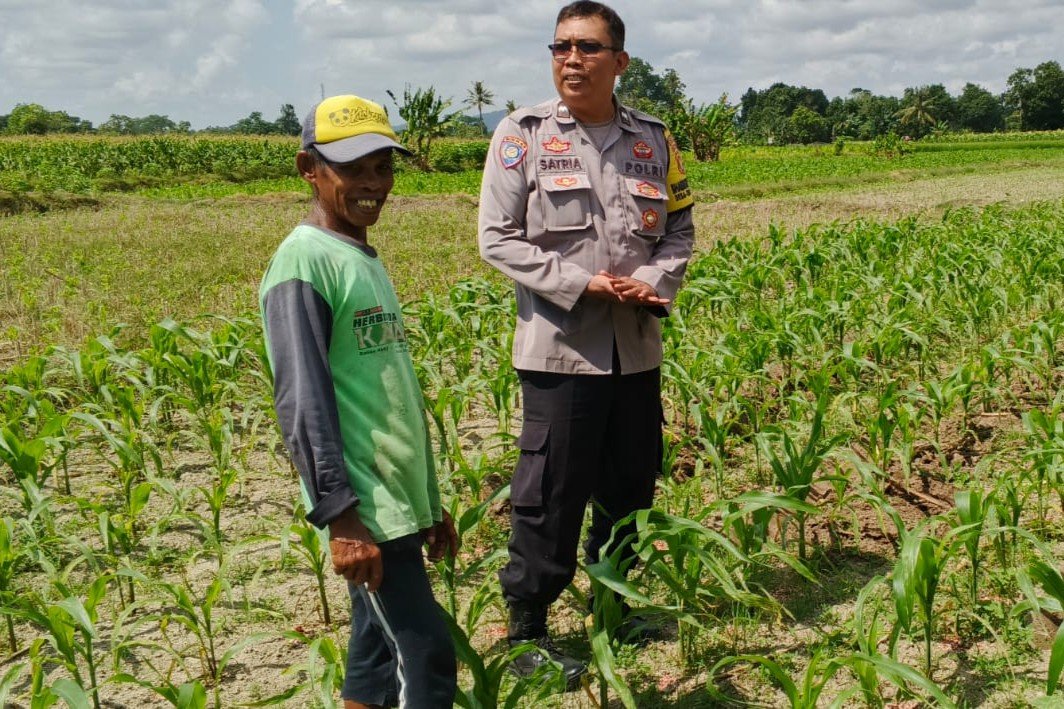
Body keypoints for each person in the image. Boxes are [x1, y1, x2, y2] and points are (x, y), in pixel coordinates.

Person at [478, 0, 695, 691]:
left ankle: (613, 603)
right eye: (561, 46)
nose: (572, 59)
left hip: (635, 349)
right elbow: (496, 238)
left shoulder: (654, 140)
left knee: (631, 483)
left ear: (620, 61)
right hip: (561, 350)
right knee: (550, 491)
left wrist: (651, 282)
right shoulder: (522, 135)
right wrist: (582, 284)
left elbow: (679, 229)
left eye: (588, 47)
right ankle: (527, 631)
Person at [260, 94, 458, 709]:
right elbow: (302, 401)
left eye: (383, 167)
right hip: (365, 503)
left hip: (394, 497)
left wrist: (427, 504)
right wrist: (341, 517)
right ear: (309, 169)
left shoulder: (356, 254)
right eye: (353, 168)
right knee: (426, 654)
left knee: (374, 656)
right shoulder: (304, 262)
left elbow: (382, 395)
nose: (373, 183)